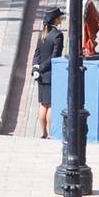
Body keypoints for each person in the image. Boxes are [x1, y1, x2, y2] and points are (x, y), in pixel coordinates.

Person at [33, 8, 65, 139]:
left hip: (41, 75)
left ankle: (43, 133)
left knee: (43, 104)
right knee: (51, 104)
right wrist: (43, 67)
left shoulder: (43, 33)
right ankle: (51, 133)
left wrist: (36, 68)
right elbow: (55, 57)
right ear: (56, 19)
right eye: (60, 17)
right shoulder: (57, 35)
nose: (61, 19)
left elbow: (36, 53)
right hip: (51, 74)